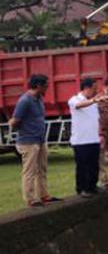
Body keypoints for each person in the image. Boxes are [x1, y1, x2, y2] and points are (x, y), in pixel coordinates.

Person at [9, 74, 62, 207]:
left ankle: (44, 195)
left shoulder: (39, 99)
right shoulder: (25, 101)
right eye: (45, 85)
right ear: (38, 86)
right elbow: (15, 121)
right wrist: (25, 130)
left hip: (40, 140)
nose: (47, 88)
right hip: (28, 141)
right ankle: (30, 198)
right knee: (30, 171)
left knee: (42, 169)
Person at [68, 78, 104, 198]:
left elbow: (97, 120)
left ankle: (92, 186)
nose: (95, 91)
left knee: (94, 165)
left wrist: (100, 135)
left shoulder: (93, 104)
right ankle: (82, 188)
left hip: (93, 139)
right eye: (94, 89)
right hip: (80, 140)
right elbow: (79, 105)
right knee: (83, 166)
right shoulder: (74, 99)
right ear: (87, 88)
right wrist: (94, 100)